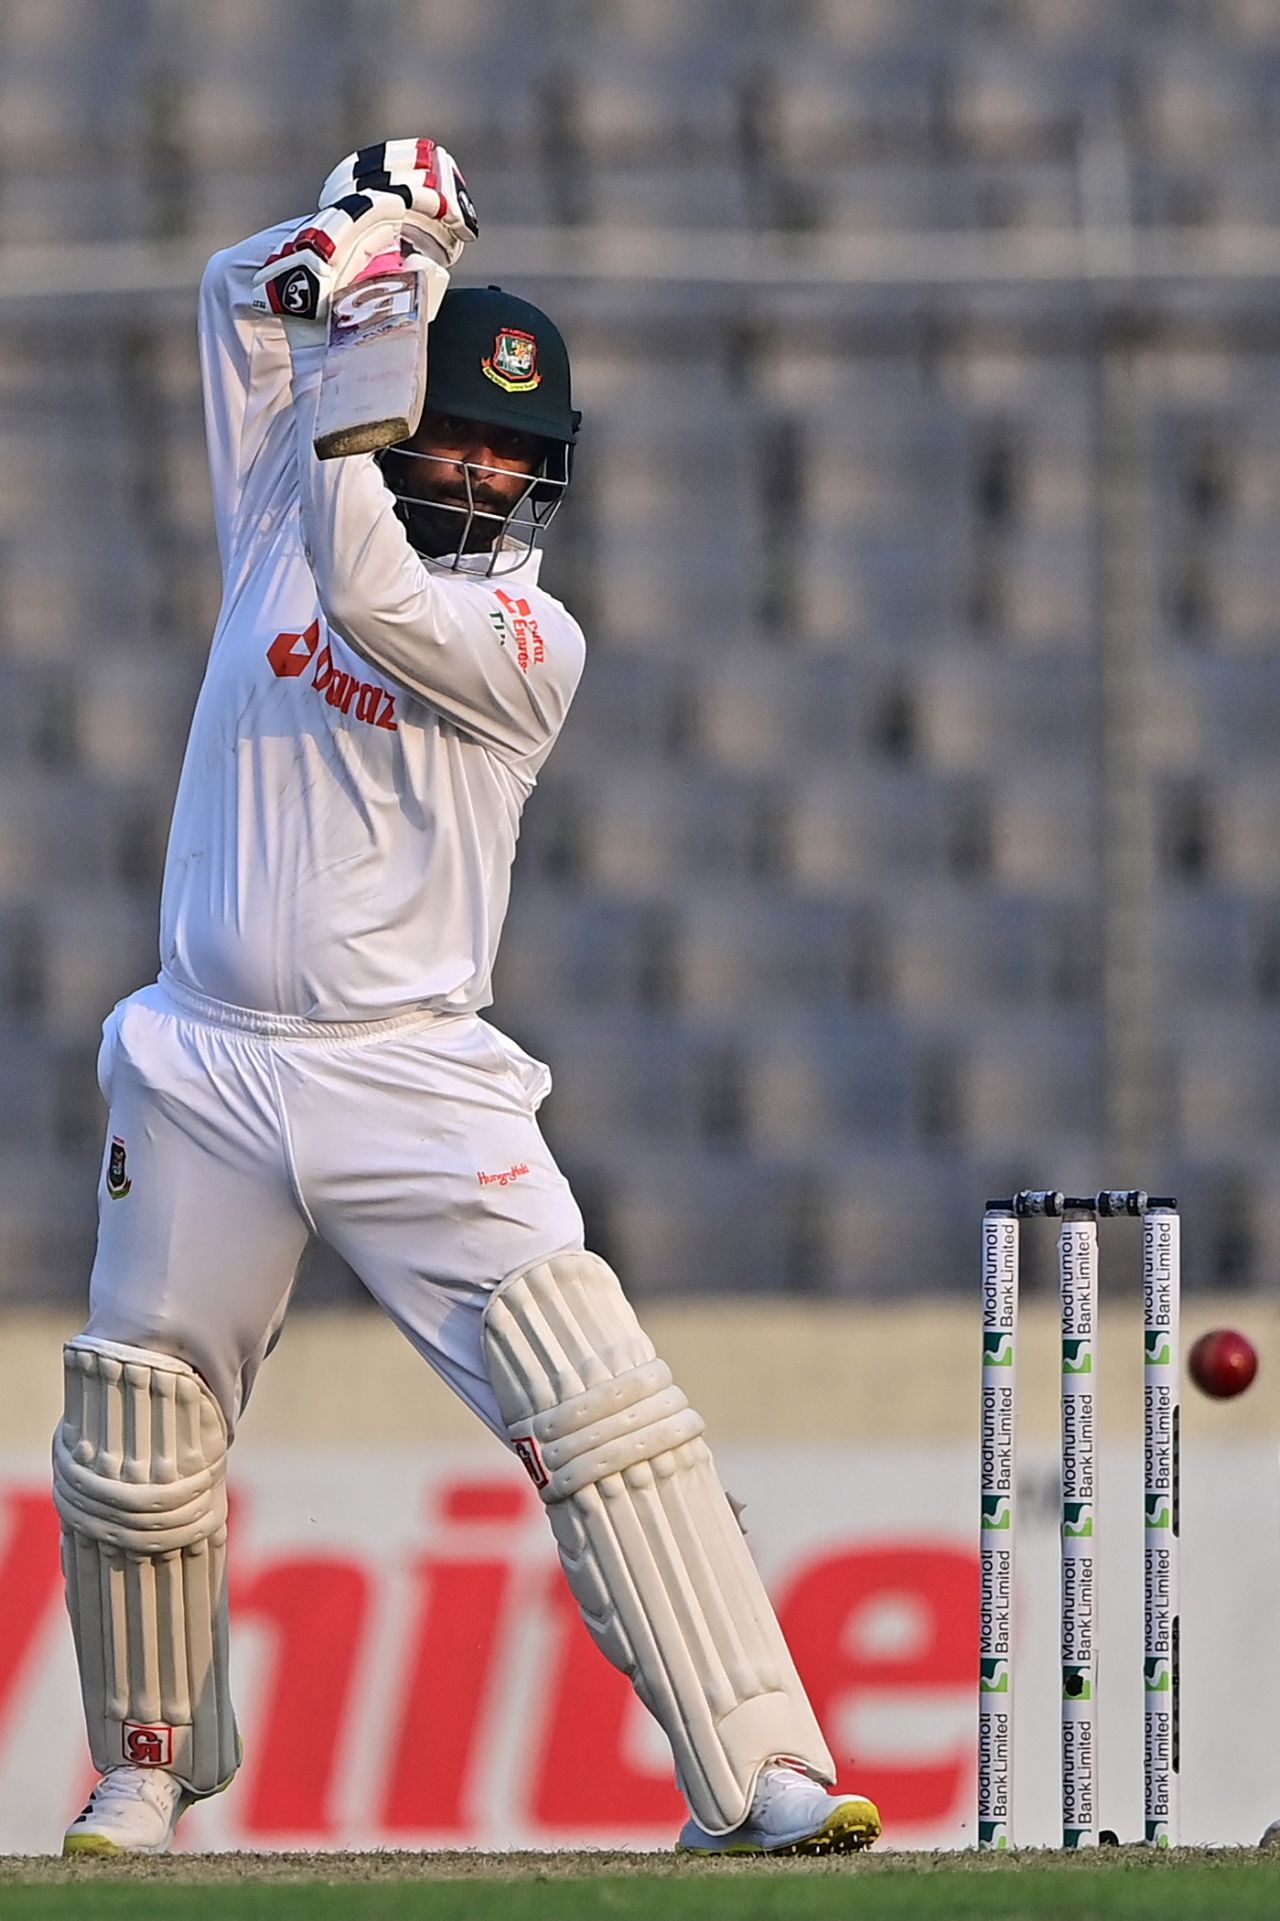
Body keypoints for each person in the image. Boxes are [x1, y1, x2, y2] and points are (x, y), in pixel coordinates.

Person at [53, 139, 881, 1861]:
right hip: (204, 1056)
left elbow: (366, 577)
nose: (489, 467)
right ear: (409, 412)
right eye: (463, 428)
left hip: (414, 1076)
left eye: (520, 451)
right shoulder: (283, 493)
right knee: (139, 1418)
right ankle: (145, 1759)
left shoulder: (524, 637)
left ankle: (758, 1771)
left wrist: (373, 333)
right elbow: (233, 299)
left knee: (600, 1398)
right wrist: (364, 232)